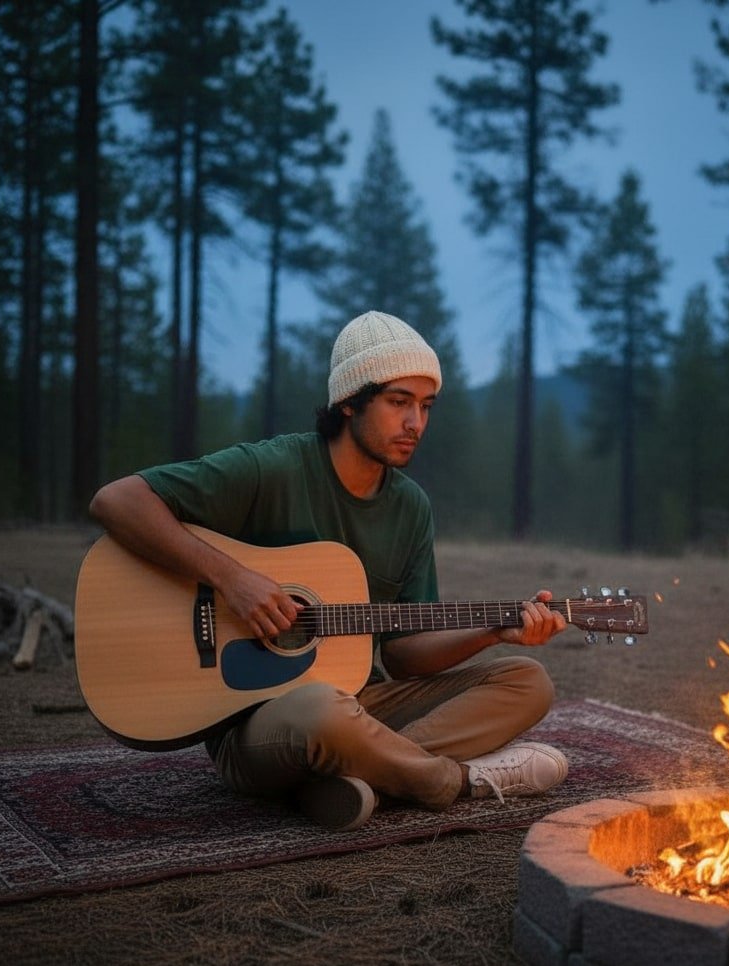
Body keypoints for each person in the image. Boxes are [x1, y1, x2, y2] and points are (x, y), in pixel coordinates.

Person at [89, 310, 569, 831]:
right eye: (399, 402)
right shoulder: (273, 468)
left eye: (426, 406)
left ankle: (356, 777)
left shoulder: (411, 508)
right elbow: (117, 500)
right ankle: (455, 782)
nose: (417, 423)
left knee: (527, 681)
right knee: (322, 710)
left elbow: (403, 656)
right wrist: (232, 578)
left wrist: (492, 632)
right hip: (258, 723)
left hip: (363, 704)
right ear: (349, 400)